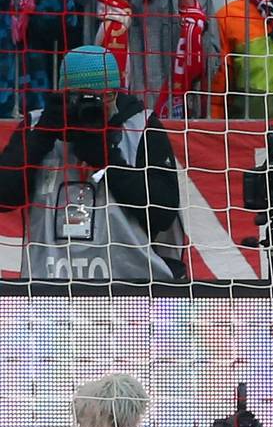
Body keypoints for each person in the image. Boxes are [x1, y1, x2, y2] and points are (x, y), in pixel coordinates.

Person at [0, 45, 185, 280]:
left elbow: (163, 212)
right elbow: (5, 197)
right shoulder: (38, 125)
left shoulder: (140, 127)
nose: (90, 107)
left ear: (115, 93)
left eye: (100, 97)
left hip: (131, 287)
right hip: (49, 288)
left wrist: (108, 160)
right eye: (78, 97)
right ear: (63, 94)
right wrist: (42, 137)